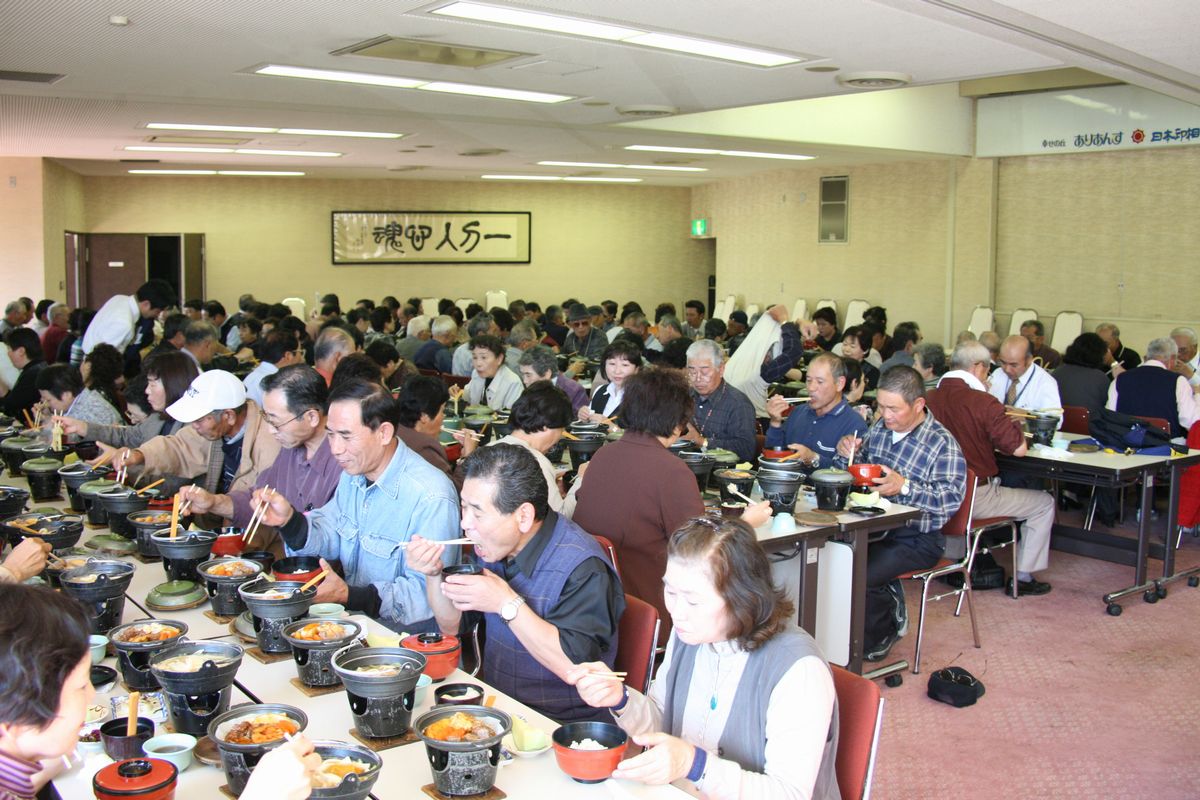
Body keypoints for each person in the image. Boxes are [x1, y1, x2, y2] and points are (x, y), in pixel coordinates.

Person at [568, 517, 840, 800]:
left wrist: (694, 764)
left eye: (694, 600)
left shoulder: (798, 669)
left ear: (743, 598)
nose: (677, 611)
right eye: (670, 592)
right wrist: (621, 699)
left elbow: (790, 794)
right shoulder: (691, 635)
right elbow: (664, 721)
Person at [408, 444, 623, 723]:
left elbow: (577, 669)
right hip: (501, 707)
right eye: (463, 508)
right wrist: (433, 574)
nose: (465, 524)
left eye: (477, 512)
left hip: (562, 724)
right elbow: (451, 626)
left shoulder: (583, 568)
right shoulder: (495, 547)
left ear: (523, 516)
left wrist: (505, 603)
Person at [574, 369, 769, 642]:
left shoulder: (603, 455)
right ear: (679, 422)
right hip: (654, 605)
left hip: (598, 599)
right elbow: (701, 548)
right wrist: (746, 522)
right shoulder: (672, 471)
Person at [254, 379, 459, 632]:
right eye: (330, 435)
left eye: (346, 436)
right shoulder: (353, 474)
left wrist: (348, 595)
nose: (336, 449)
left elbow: (425, 596)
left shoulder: (431, 495)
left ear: (383, 433)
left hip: (406, 643)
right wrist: (289, 521)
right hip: (355, 627)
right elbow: (330, 531)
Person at [834, 366, 966, 661]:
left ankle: (883, 631)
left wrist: (904, 487)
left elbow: (947, 502)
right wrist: (848, 454)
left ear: (919, 405)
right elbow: (861, 470)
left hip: (917, 537)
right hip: (870, 524)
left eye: (893, 408)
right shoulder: (881, 429)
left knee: (860, 571)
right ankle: (836, 633)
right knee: (830, 557)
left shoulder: (942, 445)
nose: (885, 414)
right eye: (881, 406)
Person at [927, 342, 1056, 595]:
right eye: (988, 371)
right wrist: (1012, 421)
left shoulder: (928, 397)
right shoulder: (983, 401)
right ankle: (1024, 577)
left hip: (935, 493)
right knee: (1044, 503)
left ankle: (952, 561)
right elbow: (1018, 449)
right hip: (975, 496)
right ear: (977, 369)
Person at [107, 370, 282, 547]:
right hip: (216, 532)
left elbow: (263, 509)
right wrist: (139, 455)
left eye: (198, 420)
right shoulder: (214, 428)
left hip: (251, 543)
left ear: (228, 415)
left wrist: (216, 506)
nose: (194, 426)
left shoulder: (269, 442)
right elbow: (179, 446)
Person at [179, 365, 342, 530]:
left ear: (312, 417)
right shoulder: (291, 448)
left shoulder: (344, 461)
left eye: (276, 422)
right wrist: (213, 502)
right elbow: (259, 499)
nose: (271, 430)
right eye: (267, 419)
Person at [470, 380, 576, 516]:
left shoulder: (488, 448)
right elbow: (560, 518)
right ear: (546, 425)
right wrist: (581, 481)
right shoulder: (537, 462)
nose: (559, 436)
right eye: (561, 429)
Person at [59, 350, 198, 448]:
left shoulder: (194, 426)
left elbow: (172, 475)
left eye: (153, 384)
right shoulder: (157, 417)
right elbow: (127, 436)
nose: (147, 390)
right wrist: (82, 427)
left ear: (172, 384)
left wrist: (128, 461)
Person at [764, 353, 867, 469]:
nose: (811, 388)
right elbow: (774, 458)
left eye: (820, 382)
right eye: (808, 380)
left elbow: (849, 473)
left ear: (839, 384)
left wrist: (814, 458)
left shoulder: (854, 424)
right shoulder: (798, 412)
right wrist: (775, 422)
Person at [680, 340, 757, 461]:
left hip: (723, 473)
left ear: (721, 370)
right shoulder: (684, 397)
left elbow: (746, 450)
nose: (698, 378)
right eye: (692, 371)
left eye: (704, 371)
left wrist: (703, 442)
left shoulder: (738, 404)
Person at [1107, 337, 1198, 438]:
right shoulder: (1178, 381)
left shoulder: (1120, 379)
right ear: (1172, 359)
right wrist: (1197, 395)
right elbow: (1191, 422)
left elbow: (1110, 416)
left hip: (1126, 445)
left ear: (1147, 357)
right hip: (1167, 447)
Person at [394, 375, 461, 489]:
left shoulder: (394, 430)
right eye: (442, 411)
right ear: (424, 416)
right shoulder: (425, 448)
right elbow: (454, 492)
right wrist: (467, 458)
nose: (443, 417)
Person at [80, 279, 174, 356]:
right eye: (157, 311)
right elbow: (103, 359)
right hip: (95, 367)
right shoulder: (124, 323)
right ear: (146, 304)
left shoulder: (118, 298)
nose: (157, 315)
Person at [988, 335, 1062, 421]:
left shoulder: (1045, 383)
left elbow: (1057, 420)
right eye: (1003, 362)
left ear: (1029, 360)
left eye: (1014, 365)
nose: (1007, 369)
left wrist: (1029, 416)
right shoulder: (997, 374)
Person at [578, 338, 642, 424]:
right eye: (612, 364)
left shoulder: (643, 397)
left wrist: (611, 427)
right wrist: (584, 416)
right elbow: (590, 424)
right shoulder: (601, 391)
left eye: (625, 365)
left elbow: (644, 435)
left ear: (636, 369)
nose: (617, 371)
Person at [36, 363, 122, 427]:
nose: (44, 403)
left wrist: (48, 421)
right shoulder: (81, 401)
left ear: (67, 395)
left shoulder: (89, 412)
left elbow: (69, 441)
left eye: (48, 400)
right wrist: (47, 416)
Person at [1053, 333, 1112, 416]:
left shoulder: (1057, 372)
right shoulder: (1101, 378)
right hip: (1089, 426)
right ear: (1100, 354)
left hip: (1058, 424)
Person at [518, 345, 588, 414]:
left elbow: (579, 422)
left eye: (528, 375)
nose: (524, 381)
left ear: (547, 374)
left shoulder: (574, 391)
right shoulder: (529, 390)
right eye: (522, 374)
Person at [243, 329, 301, 407]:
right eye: (300, 352)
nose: (301, 358)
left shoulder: (253, 376)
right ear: (288, 356)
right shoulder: (277, 383)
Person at [464, 335, 523, 411]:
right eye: (475, 357)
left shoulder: (513, 382)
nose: (478, 363)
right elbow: (467, 397)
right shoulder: (476, 374)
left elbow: (512, 415)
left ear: (499, 359)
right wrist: (456, 392)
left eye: (484, 357)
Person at [2, 329, 46, 419]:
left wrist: (4, 392)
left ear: (21, 351)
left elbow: (10, 408)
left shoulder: (33, 374)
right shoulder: (39, 367)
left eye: (9, 349)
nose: (8, 354)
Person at [562, 303, 606, 371]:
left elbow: (599, 361)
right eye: (576, 324)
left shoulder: (600, 336)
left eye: (584, 323)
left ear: (590, 321)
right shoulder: (570, 338)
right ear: (571, 325)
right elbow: (564, 356)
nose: (581, 327)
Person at [839, 325, 879, 391]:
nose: (846, 349)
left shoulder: (872, 372)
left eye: (852, 346)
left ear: (865, 350)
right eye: (845, 344)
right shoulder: (835, 365)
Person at [1168, 327, 1200, 391]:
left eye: (1182, 350)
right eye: (1174, 349)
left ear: (1195, 347)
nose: (1178, 354)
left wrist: (1190, 375)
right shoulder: (1166, 360)